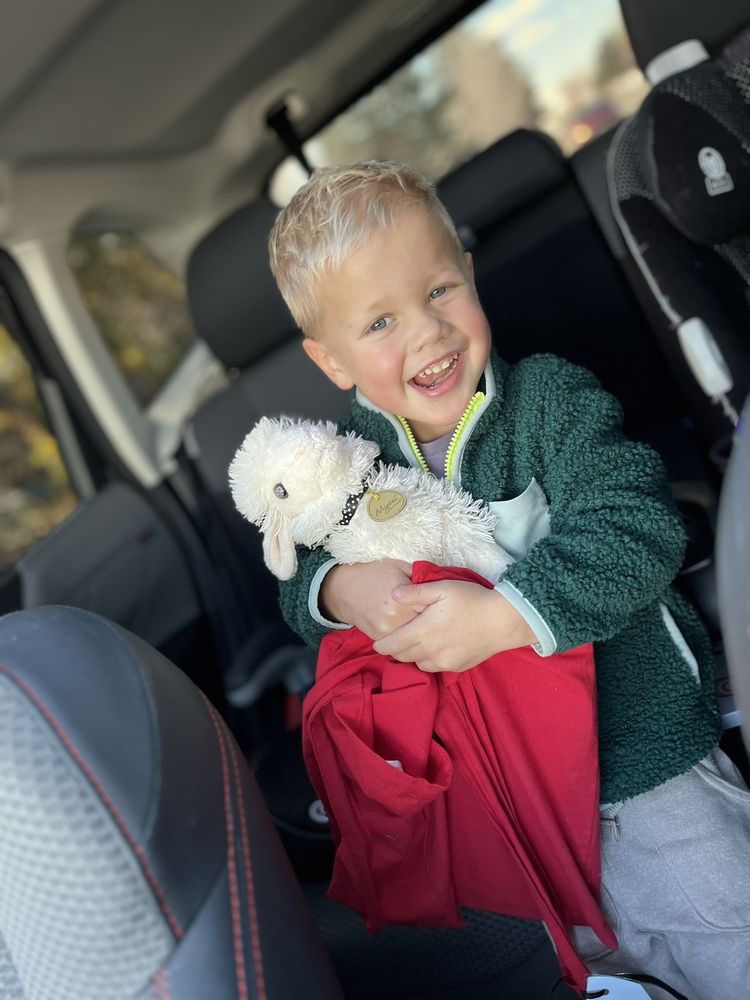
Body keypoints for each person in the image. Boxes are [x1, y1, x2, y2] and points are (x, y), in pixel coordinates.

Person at [267, 160, 750, 999]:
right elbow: (296, 576)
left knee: (726, 937)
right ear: (331, 360)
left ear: (470, 274)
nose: (427, 332)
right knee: (607, 973)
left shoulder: (548, 403)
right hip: (516, 810)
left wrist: (505, 617)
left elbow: (638, 526)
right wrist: (340, 592)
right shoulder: (345, 466)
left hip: (642, 766)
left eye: (441, 290)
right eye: (380, 322)